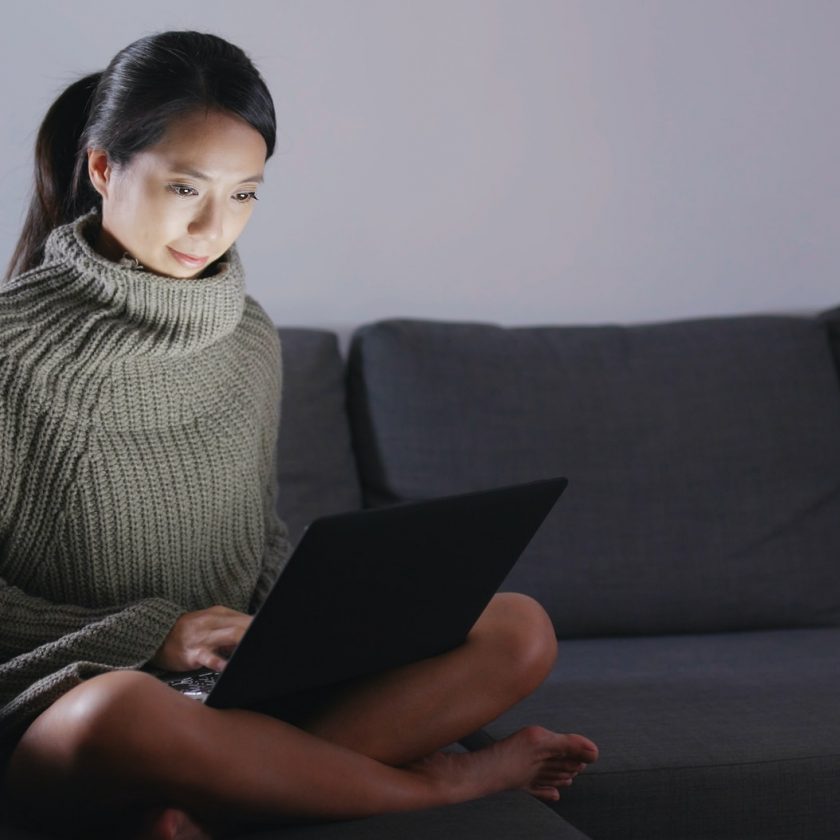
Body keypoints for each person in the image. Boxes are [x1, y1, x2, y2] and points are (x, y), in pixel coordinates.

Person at [0, 30, 599, 840]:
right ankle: (442, 786)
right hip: (71, 701)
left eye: (244, 195)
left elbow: (253, 544)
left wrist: (315, 627)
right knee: (124, 711)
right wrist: (155, 638)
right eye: (186, 188)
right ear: (104, 168)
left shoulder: (248, 339)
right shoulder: (11, 352)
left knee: (517, 627)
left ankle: (212, 805)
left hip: (233, 693)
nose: (214, 225)